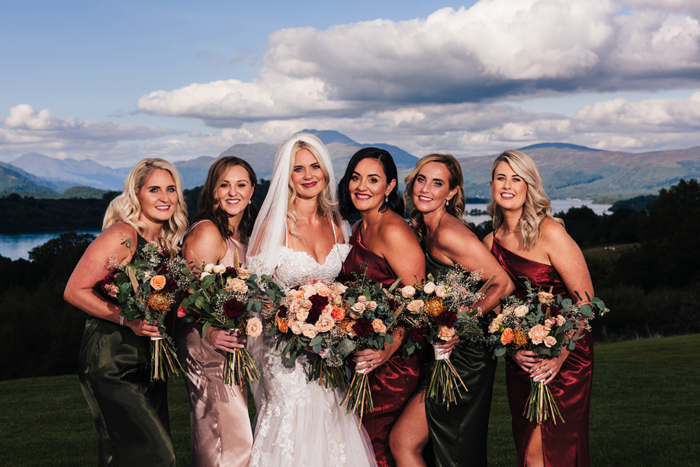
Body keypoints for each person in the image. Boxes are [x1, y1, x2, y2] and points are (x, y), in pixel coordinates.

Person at [246, 133, 377, 467]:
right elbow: (256, 297)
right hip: (285, 357)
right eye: (298, 169)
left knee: (333, 429)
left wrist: (338, 324)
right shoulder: (273, 228)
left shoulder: (339, 224)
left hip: (330, 356)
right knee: (294, 432)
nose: (308, 175)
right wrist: (293, 320)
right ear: (286, 178)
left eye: (314, 166)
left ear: (326, 171)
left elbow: (346, 288)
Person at [389, 154, 514, 467]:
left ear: (452, 192)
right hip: (444, 352)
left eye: (438, 183)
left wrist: (459, 323)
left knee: (405, 441)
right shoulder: (425, 230)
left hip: (465, 355)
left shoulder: (449, 233)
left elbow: (502, 284)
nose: (426, 188)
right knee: (442, 446)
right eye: (421, 179)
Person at [64, 158, 188, 467]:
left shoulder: (168, 244)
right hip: (113, 359)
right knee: (157, 456)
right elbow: (74, 290)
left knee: (127, 456)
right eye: (154, 189)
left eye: (171, 189)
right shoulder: (123, 234)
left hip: (149, 360)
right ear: (136, 194)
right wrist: (126, 318)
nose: (165, 198)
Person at [483, 150, 594, 467]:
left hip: (566, 354)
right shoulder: (489, 243)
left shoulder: (551, 232)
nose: (508, 185)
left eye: (516, 178)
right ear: (492, 185)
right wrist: (512, 346)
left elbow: (586, 301)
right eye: (501, 177)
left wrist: (559, 354)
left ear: (529, 186)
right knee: (529, 449)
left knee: (545, 453)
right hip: (521, 358)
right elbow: (492, 306)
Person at [337, 147, 426, 467]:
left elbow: (418, 302)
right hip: (364, 358)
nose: (362, 186)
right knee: (362, 445)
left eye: (373, 179)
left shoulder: (393, 230)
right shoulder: (359, 227)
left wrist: (389, 347)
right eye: (355, 177)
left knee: (376, 447)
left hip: (393, 364)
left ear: (389, 187)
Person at [177, 156, 257, 467]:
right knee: (228, 446)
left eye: (241, 185)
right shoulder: (208, 232)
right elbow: (186, 296)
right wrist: (210, 331)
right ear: (213, 192)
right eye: (224, 185)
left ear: (252, 190)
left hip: (231, 349)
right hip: (208, 350)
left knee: (231, 441)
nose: (233, 192)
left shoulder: (243, 233)